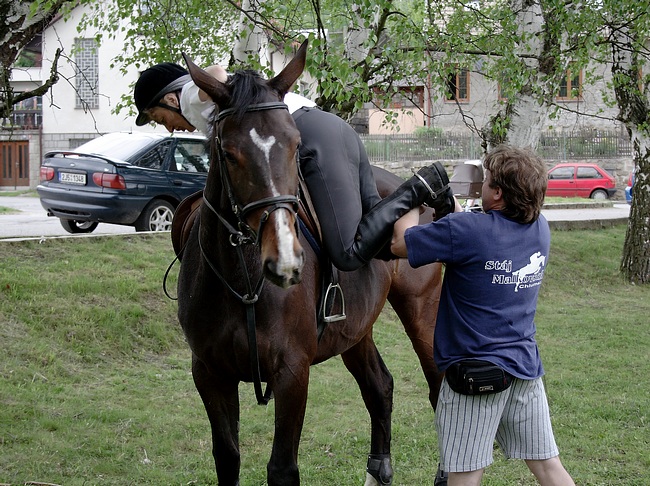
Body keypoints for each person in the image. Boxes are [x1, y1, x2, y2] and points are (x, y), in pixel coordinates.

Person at [133, 61, 455, 271]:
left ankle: (423, 184)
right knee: (379, 238)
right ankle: (425, 195)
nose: (169, 128)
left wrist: (208, 83)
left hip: (312, 137)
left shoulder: (189, 97)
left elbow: (217, 72)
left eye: (160, 119)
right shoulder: (204, 114)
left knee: (346, 254)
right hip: (325, 129)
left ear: (170, 100)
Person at [391, 145, 575, 486]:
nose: (482, 186)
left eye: (487, 181)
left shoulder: (467, 232)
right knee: (550, 469)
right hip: (524, 370)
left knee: (463, 478)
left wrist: (411, 201)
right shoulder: (540, 228)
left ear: (498, 193)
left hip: (475, 377)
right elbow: (471, 230)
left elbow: (401, 245)